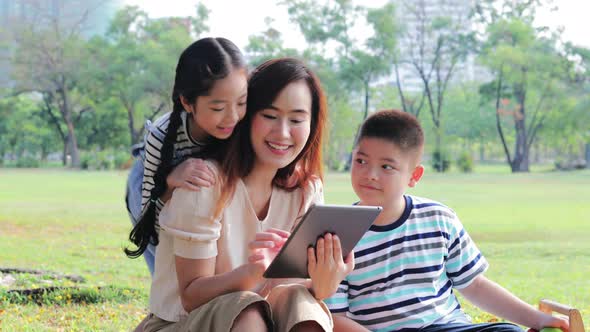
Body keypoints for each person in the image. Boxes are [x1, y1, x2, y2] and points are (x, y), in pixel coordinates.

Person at [129, 58, 354, 332]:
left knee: (301, 302)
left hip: (263, 321)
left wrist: (325, 279)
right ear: (245, 117)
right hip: (180, 324)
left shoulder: (306, 190)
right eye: (270, 116)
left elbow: (292, 288)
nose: (283, 133)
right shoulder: (204, 183)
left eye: (296, 119)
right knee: (245, 309)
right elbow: (190, 296)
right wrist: (253, 273)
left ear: (312, 124)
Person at [325, 110, 570, 332]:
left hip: (449, 327)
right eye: (361, 161)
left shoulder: (439, 218)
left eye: (387, 166)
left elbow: (474, 286)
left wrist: (536, 319)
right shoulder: (339, 233)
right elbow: (335, 317)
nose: (370, 175)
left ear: (414, 175)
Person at [124, 37, 248, 275]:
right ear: (187, 102)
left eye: (241, 102)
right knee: (167, 271)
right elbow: (151, 224)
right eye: (218, 108)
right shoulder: (160, 137)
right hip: (151, 183)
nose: (232, 117)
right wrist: (170, 182)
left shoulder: (241, 125)